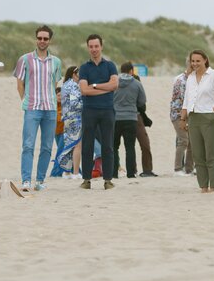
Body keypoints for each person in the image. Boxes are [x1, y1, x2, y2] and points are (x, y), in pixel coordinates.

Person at [13, 25, 62, 191]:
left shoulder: (56, 62)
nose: (42, 41)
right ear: (36, 39)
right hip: (32, 108)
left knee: (47, 146)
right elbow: (20, 83)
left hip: (50, 108)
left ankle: (40, 181)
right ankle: (26, 180)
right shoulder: (25, 59)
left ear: (49, 40)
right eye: (40, 38)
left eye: (45, 38)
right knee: (28, 145)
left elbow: (54, 83)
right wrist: (25, 100)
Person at [180, 50, 214, 193]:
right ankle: (203, 187)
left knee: (211, 154)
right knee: (198, 154)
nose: (195, 64)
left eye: (198, 61)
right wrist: (183, 118)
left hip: (210, 118)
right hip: (193, 117)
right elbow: (186, 100)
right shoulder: (190, 78)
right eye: (192, 61)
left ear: (205, 60)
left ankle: (213, 186)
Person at [78, 34, 118, 190]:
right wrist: (103, 87)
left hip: (107, 110)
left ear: (101, 46)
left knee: (108, 145)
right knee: (87, 145)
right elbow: (83, 90)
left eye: (96, 46)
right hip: (89, 110)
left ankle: (108, 179)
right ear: (88, 47)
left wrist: (93, 86)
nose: (94, 49)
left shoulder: (110, 66)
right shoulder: (84, 67)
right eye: (91, 46)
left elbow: (114, 85)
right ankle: (86, 179)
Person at [113, 62, 147, 179]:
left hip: (115, 118)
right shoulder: (137, 84)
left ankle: (113, 173)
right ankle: (131, 173)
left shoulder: (114, 82)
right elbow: (142, 101)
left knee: (114, 146)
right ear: (131, 71)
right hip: (131, 117)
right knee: (130, 147)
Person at [56, 66, 83, 179]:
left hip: (67, 118)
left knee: (69, 145)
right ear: (74, 74)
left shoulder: (65, 85)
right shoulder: (72, 86)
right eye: (79, 73)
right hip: (74, 118)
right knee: (77, 146)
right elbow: (74, 103)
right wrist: (86, 104)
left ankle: (66, 172)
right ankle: (75, 173)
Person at [170, 58, 194, 176]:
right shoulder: (181, 80)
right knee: (183, 140)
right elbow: (185, 100)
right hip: (178, 114)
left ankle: (189, 168)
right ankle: (177, 168)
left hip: (190, 114)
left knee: (192, 142)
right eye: (192, 63)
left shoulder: (193, 79)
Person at [132, 72, 157, 177]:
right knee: (144, 144)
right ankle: (145, 170)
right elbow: (142, 107)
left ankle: (134, 170)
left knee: (131, 146)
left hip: (133, 118)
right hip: (136, 118)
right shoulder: (137, 87)